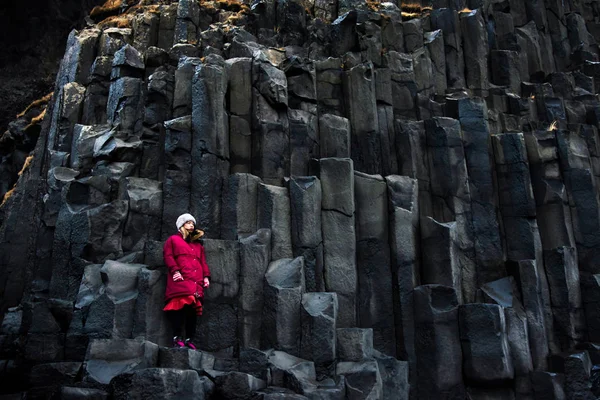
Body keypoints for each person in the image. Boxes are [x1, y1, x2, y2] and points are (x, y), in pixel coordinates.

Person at [163, 213, 210, 349]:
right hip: (181, 280)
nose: (191, 225)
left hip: (196, 282)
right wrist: (175, 271)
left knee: (192, 311)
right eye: (188, 222)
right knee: (178, 308)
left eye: (193, 223)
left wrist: (206, 277)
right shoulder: (173, 240)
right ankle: (176, 337)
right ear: (181, 225)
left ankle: (189, 339)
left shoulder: (198, 245)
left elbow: (203, 262)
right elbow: (168, 256)